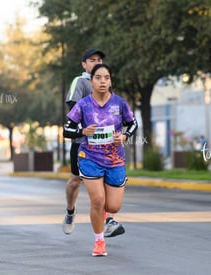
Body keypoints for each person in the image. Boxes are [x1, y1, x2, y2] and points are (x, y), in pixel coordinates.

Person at [63, 63, 138, 256]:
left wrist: (124, 136)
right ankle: (99, 242)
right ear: (91, 81)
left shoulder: (119, 104)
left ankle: (109, 207)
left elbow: (132, 123)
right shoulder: (83, 105)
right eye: (98, 78)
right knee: (97, 200)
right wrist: (82, 131)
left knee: (113, 206)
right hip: (90, 158)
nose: (103, 82)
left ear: (110, 81)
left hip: (114, 159)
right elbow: (66, 130)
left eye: (106, 78)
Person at [62, 48, 126, 238]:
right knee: (75, 181)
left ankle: (109, 220)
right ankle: (70, 211)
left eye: (99, 59)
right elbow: (73, 106)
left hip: (106, 145)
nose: (96, 62)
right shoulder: (80, 82)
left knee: (108, 181)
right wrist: (88, 127)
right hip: (82, 142)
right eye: (92, 60)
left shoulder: (104, 82)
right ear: (84, 64)